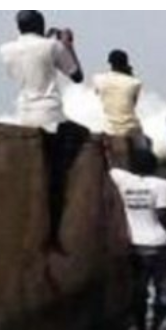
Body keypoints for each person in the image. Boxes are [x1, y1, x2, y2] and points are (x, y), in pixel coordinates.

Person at [1, 10, 87, 253]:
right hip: (50, 117)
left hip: (23, 115)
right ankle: (55, 233)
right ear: (42, 25)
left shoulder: (6, 49)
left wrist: (51, 43)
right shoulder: (53, 46)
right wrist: (67, 46)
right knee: (60, 175)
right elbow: (77, 76)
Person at [110, 149, 166, 330]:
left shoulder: (123, 181)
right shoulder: (162, 184)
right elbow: (163, 214)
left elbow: (110, 166)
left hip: (135, 246)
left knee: (139, 292)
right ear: (155, 166)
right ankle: (155, 329)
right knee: (164, 291)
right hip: (159, 245)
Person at [93, 49, 150, 151]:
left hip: (109, 129)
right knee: (146, 155)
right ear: (126, 63)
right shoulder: (135, 83)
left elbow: (97, 93)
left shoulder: (98, 79)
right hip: (131, 129)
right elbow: (133, 104)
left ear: (110, 63)